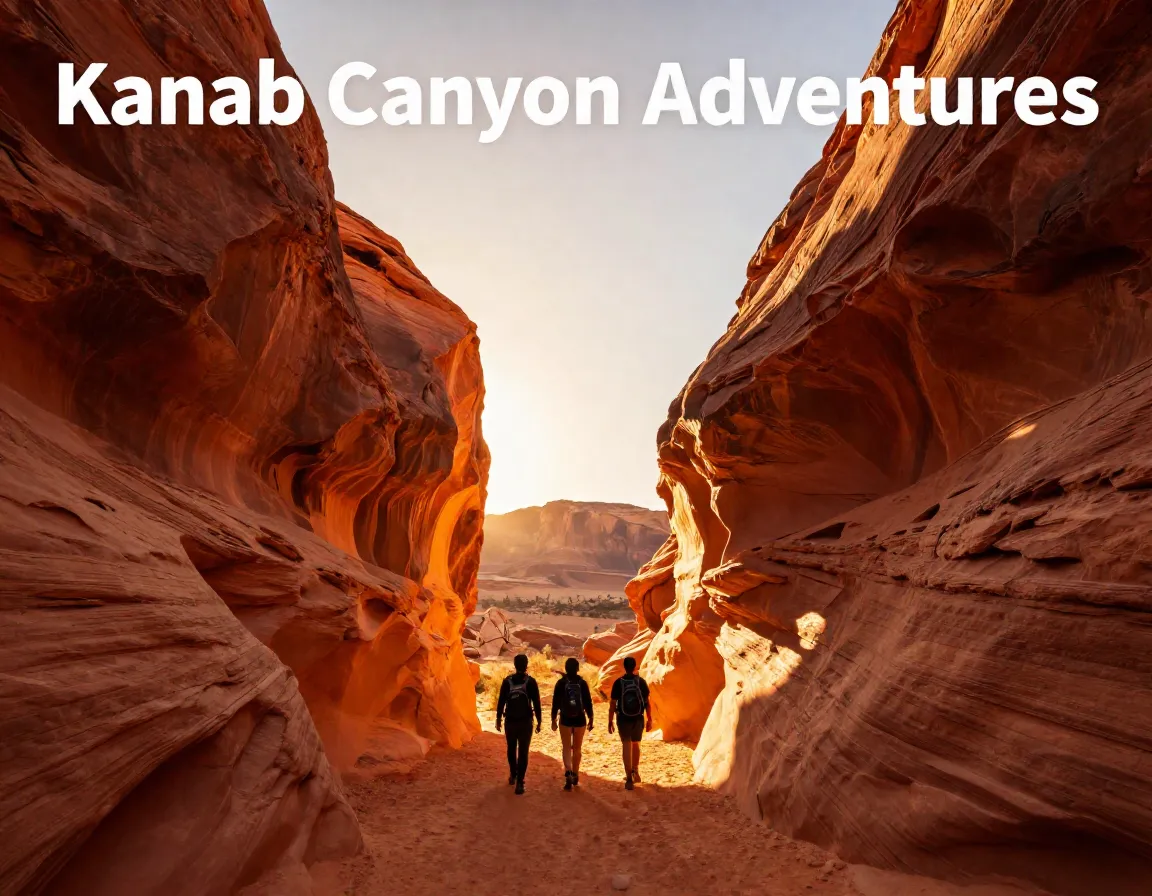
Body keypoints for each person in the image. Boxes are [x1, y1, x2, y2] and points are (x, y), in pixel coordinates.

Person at [495, 654, 541, 794]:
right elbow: (536, 703)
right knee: (523, 751)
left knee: (511, 748)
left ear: (514, 665)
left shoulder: (507, 681)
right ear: (526, 665)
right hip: (525, 722)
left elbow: (501, 702)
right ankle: (520, 782)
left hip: (510, 721)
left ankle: (513, 774)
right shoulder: (530, 682)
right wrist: (539, 721)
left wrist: (498, 719)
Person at [607, 656, 652, 790]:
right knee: (635, 744)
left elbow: (612, 704)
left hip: (623, 718)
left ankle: (628, 777)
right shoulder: (641, 682)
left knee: (626, 744)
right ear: (635, 667)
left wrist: (610, 721)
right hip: (638, 717)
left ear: (624, 667)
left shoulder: (618, 683)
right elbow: (647, 703)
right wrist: (650, 719)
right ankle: (635, 771)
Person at [551, 657, 594, 791]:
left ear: (566, 668)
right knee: (577, 748)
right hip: (580, 719)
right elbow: (587, 702)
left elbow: (555, 703)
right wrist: (591, 717)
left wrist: (553, 719)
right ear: (577, 669)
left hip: (565, 719)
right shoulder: (582, 683)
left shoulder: (561, 683)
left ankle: (568, 771)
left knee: (566, 747)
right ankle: (575, 774)